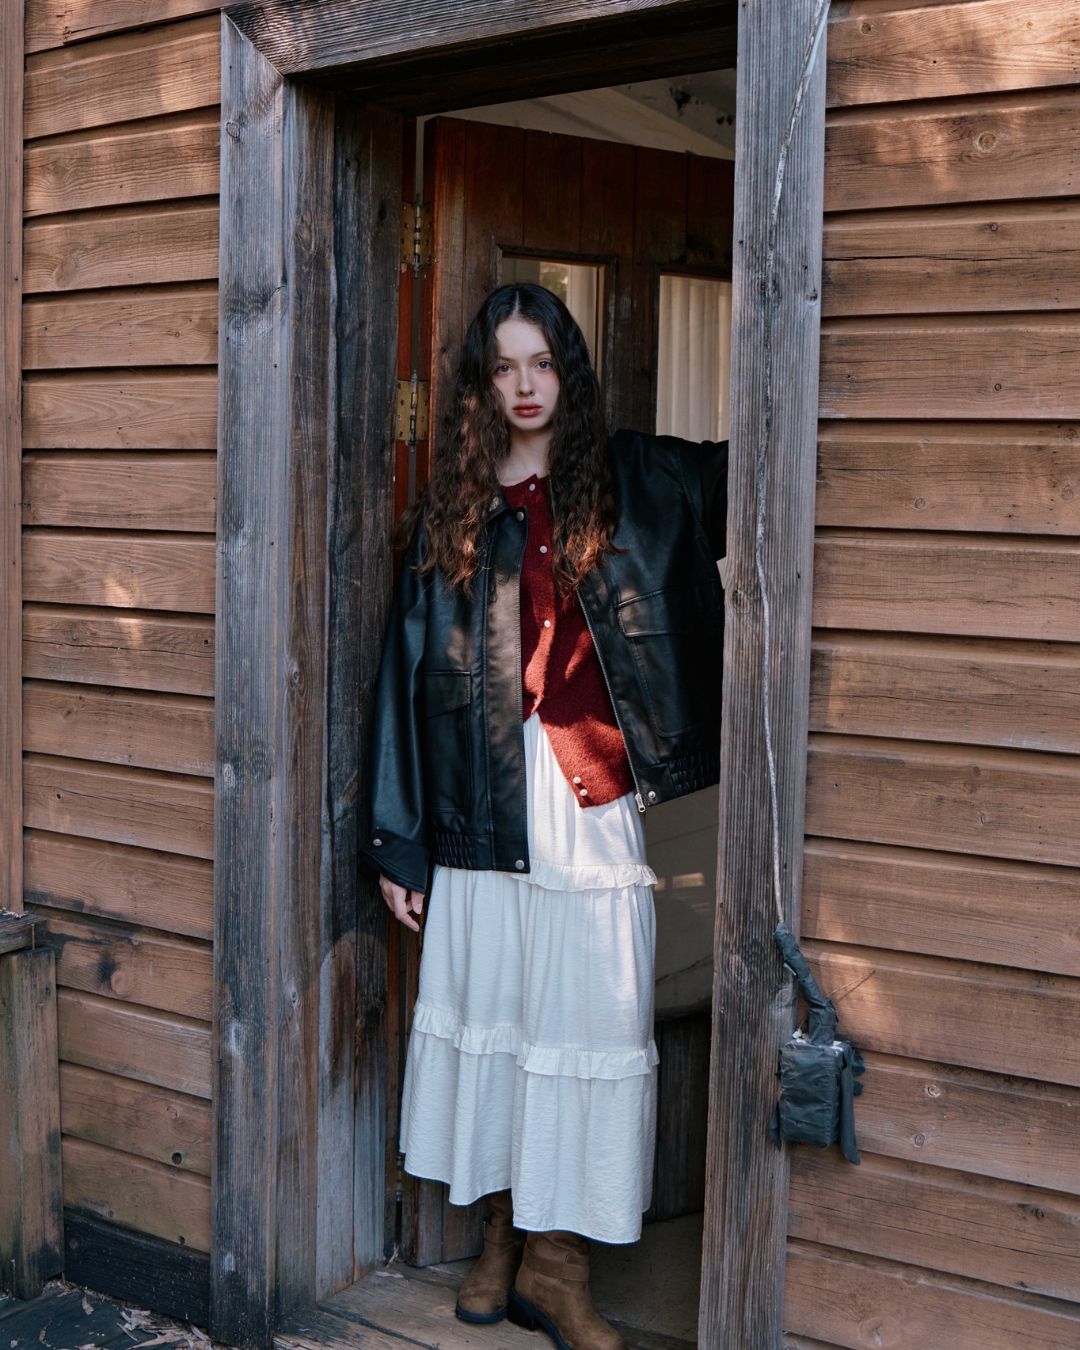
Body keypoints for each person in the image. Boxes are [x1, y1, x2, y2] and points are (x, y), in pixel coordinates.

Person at [359, 282, 727, 1350]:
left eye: (543, 363)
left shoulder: (639, 477)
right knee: (502, 1022)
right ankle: (500, 1247)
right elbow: (402, 681)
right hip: (479, 804)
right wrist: (398, 841)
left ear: (569, 372)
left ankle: (558, 1268)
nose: (525, 386)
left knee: (587, 1021)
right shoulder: (454, 511)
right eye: (505, 367)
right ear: (483, 386)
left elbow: (759, 464)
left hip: (590, 793)